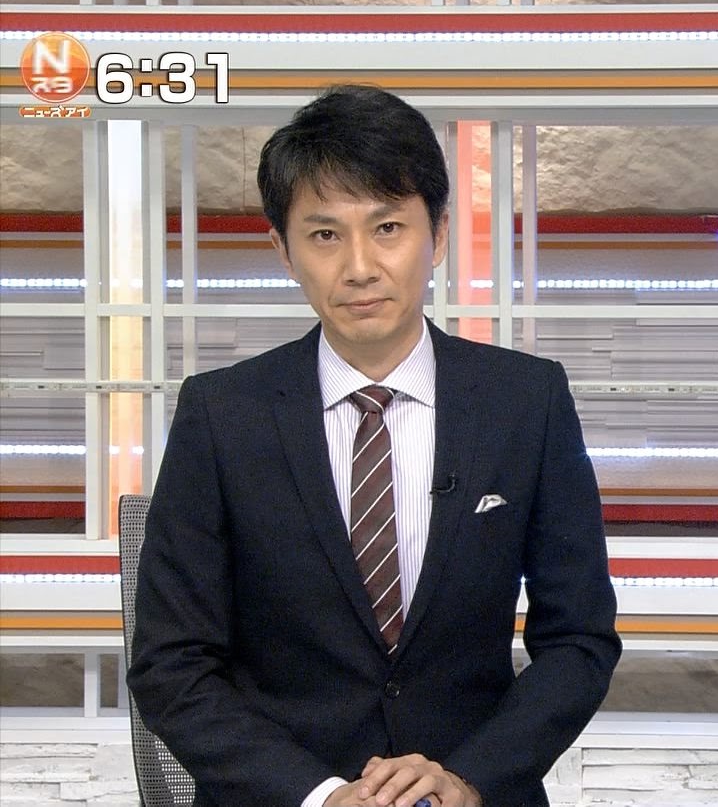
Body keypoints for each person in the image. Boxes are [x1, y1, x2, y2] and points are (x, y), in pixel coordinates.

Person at [128, 84, 621, 807]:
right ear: (283, 251)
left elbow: (579, 640)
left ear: (438, 234)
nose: (359, 266)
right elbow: (171, 664)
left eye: (387, 227)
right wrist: (321, 794)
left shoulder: (527, 402)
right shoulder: (221, 414)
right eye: (325, 235)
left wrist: (469, 777)